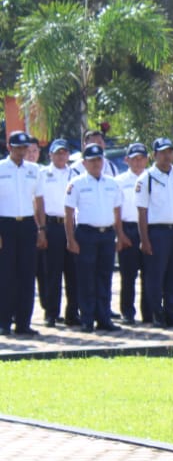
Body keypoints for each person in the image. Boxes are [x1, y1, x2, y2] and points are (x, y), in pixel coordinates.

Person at [65, 143, 125, 334]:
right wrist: (70, 239)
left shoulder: (112, 183)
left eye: (99, 159)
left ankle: (104, 318)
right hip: (86, 234)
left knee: (104, 278)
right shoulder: (77, 183)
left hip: (107, 234)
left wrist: (119, 236)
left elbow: (117, 211)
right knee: (86, 278)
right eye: (92, 160)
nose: (96, 163)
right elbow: (68, 213)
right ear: (84, 163)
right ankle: (87, 319)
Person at [136, 137, 173, 328]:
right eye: (162, 152)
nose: (167, 156)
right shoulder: (146, 178)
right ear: (154, 155)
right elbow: (142, 212)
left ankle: (172, 312)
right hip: (157, 232)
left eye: (170, 152)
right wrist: (144, 239)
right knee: (156, 275)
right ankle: (156, 314)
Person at [1, 131, 46, 337]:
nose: (22, 151)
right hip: (5, 224)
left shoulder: (34, 170)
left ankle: (23, 323)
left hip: (27, 224)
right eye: (18, 148)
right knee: (6, 275)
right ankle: (4, 322)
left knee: (27, 275)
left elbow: (39, 200)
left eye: (24, 148)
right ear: (9, 148)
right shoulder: (1, 168)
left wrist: (42, 229)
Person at [38, 139, 79, 328]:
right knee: (52, 272)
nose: (61, 156)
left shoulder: (76, 174)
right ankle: (51, 313)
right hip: (53, 225)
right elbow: (38, 202)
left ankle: (72, 313)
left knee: (73, 273)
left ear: (68, 155)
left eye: (64, 153)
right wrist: (41, 229)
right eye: (57, 153)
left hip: (72, 226)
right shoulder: (43, 174)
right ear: (50, 155)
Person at [117, 143, 149, 323]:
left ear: (147, 160)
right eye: (134, 158)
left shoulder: (153, 178)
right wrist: (119, 234)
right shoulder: (119, 181)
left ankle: (148, 313)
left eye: (141, 158)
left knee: (149, 274)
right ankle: (127, 312)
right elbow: (115, 210)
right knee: (128, 275)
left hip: (149, 229)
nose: (137, 162)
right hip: (127, 229)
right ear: (126, 160)